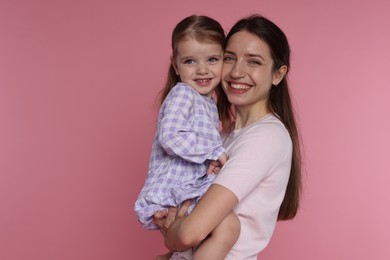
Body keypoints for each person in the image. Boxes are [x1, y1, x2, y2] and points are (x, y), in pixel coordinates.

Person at [153, 14, 302, 259]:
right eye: (230, 58)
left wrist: (172, 236)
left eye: (254, 62)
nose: (236, 72)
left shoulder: (266, 137)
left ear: (278, 74)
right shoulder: (221, 136)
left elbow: (189, 233)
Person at [134, 15, 240, 260]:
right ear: (175, 65)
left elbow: (195, 146)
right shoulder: (183, 93)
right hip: (174, 189)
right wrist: (214, 151)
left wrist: (211, 163)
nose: (202, 70)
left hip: (187, 186)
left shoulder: (207, 102)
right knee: (228, 227)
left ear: (224, 60)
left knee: (205, 233)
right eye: (190, 61)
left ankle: (169, 256)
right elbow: (171, 137)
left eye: (212, 59)